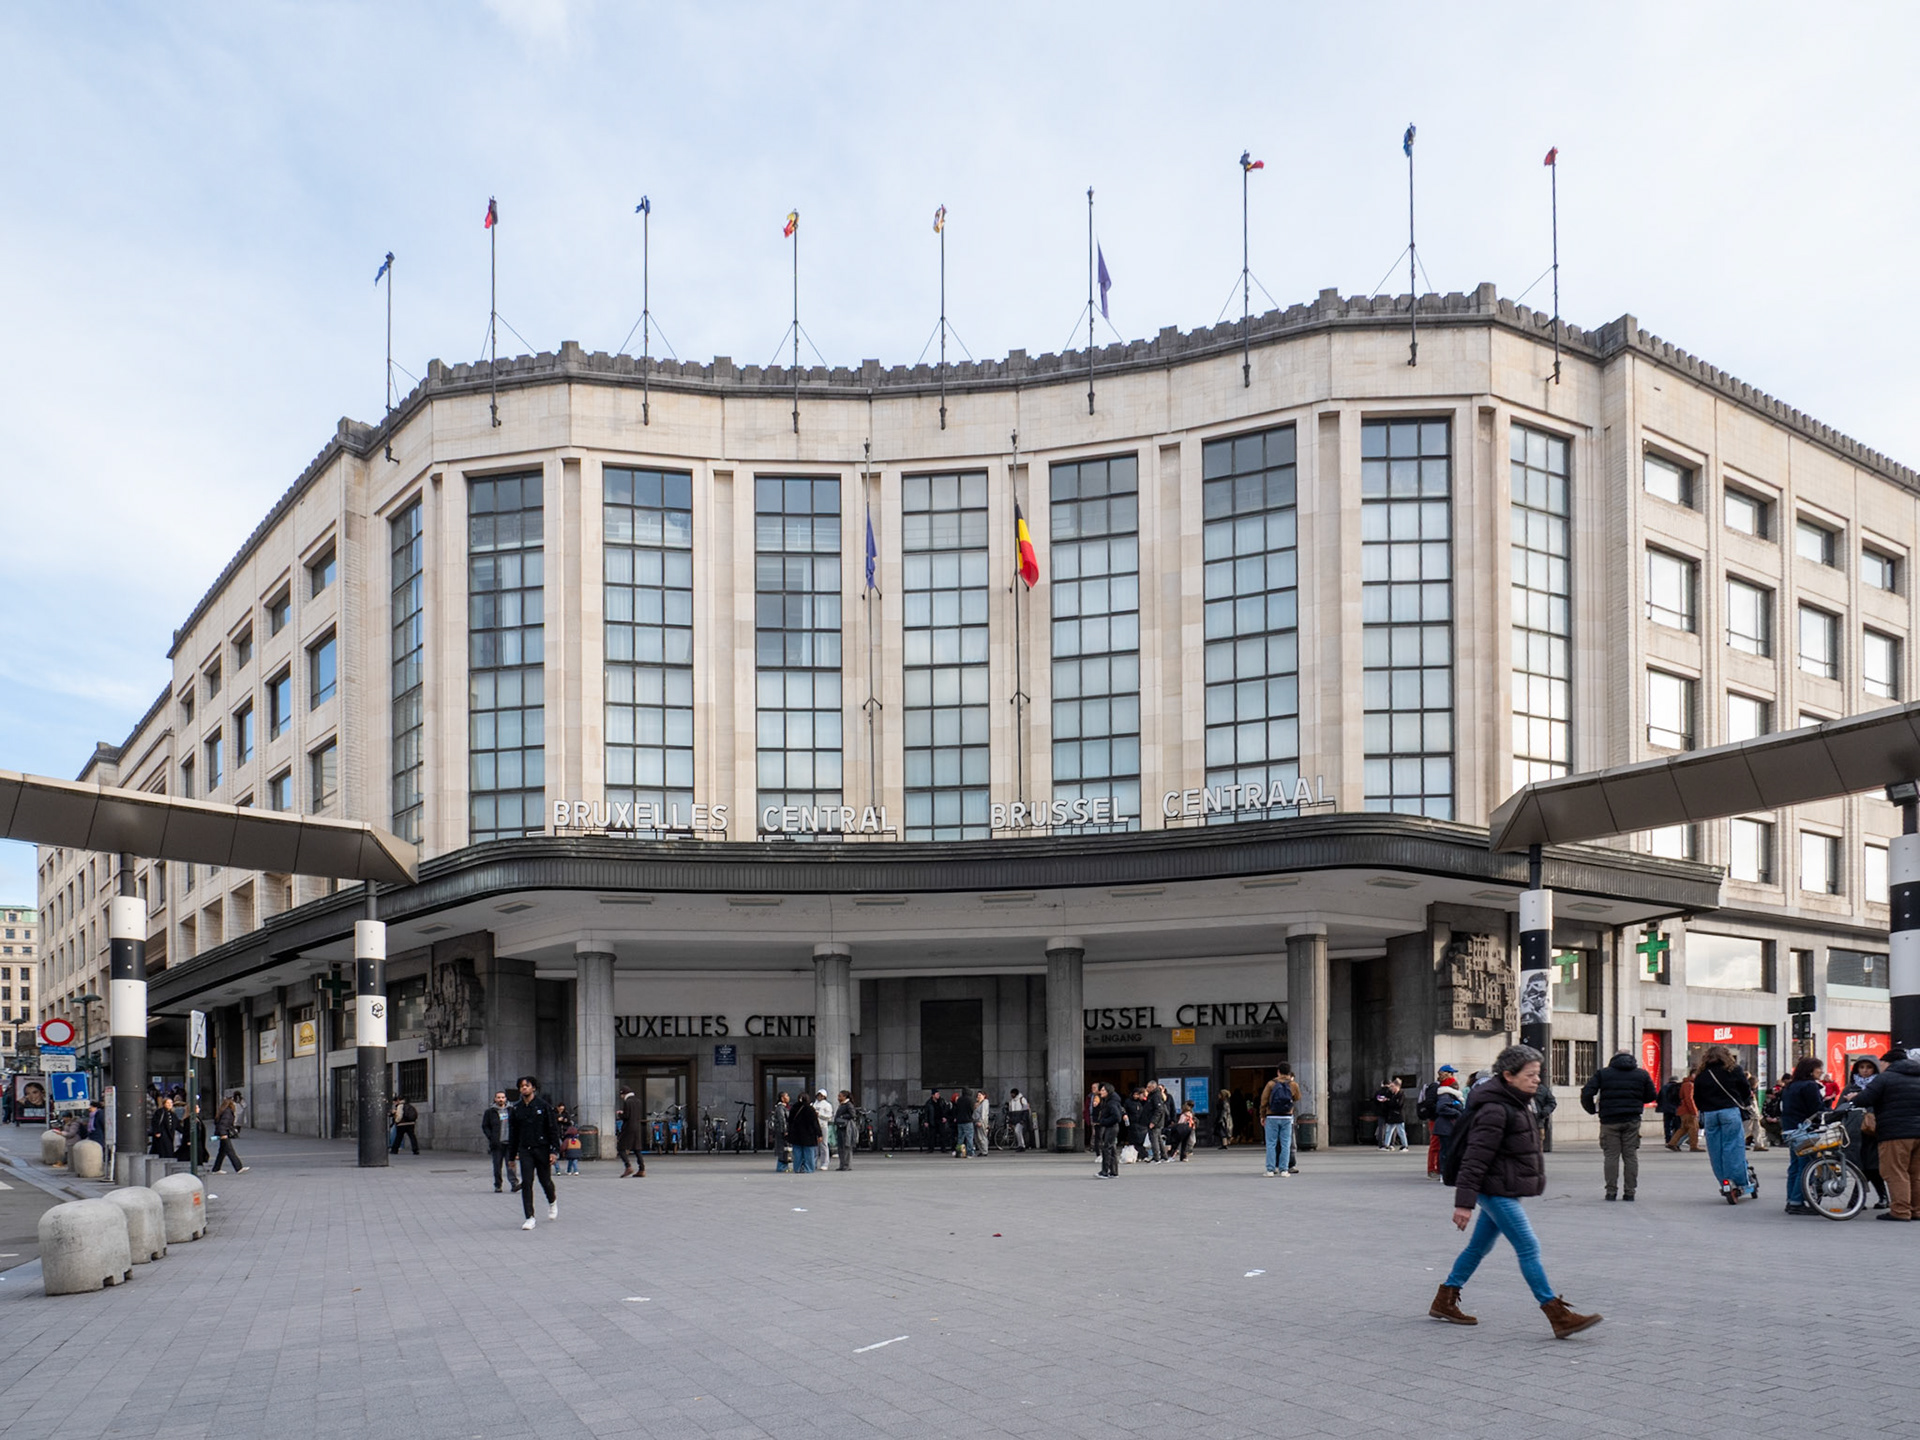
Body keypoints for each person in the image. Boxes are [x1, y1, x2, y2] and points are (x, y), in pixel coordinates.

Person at [1429, 1044, 1601, 1339]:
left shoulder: (1516, 1101)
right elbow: (1475, 1157)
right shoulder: (1496, 1108)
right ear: (1508, 1075)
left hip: (1503, 1187)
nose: (1537, 1080)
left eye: (1538, 1074)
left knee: (1478, 1248)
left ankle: (1445, 1299)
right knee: (1528, 1247)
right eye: (1530, 1074)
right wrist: (1464, 1204)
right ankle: (1558, 1315)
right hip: (1495, 1191)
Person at [1851, 1047, 1920, 1221]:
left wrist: (1852, 1098)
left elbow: (1864, 1099)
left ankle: (1900, 1211)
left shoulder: (1885, 1078)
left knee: (1895, 1171)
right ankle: (1917, 1210)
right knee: (1916, 1174)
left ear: (1887, 1062)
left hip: (1895, 1133)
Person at [1579, 1051, 1658, 1201]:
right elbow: (1651, 1095)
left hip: (1609, 1120)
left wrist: (1592, 1110)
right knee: (1630, 1156)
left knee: (1611, 1156)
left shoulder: (1603, 1073)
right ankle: (1630, 1192)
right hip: (1632, 1120)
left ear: (1613, 1059)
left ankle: (1611, 1191)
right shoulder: (1641, 1074)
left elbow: (1587, 1092)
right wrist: (1637, 1100)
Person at [1693, 1047, 1755, 1203]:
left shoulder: (1702, 1074)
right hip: (1729, 1111)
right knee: (1733, 1146)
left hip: (1710, 1114)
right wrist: (1744, 1102)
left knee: (1716, 1150)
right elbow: (1745, 1090)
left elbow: (1697, 1097)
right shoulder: (1733, 1070)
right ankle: (1739, 1180)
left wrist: (1705, 1109)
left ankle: (1724, 1181)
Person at [507, 1075, 560, 1230]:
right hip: (525, 1150)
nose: (524, 1088)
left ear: (533, 1088)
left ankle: (552, 1201)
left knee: (545, 1181)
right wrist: (511, 1157)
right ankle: (529, 1217)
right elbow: (513, 1134)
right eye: (521, 1086)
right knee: (527, 1182)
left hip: (542, 1148)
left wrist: (554, 1151)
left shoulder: (543, 1106)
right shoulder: (517, 1109)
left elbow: (552, 1130)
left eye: (527, 1086)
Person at [1836, 1058, 1889, 1210]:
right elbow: (1840, 1108)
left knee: (1869, 1167)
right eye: (1861, 1067)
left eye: (1869, 1067)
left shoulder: (1879, 1087)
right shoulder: (1850, 1088)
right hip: (1853, 1133)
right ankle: (1881, 1198)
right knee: (1864, 1166)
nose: (1865, 1070)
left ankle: (1856, 1200)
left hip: (1872, 1132)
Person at [1776, 1057, 1827, 1216]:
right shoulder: (1810, 1086)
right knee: (1806, 1167)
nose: (1821, 1071)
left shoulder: (1790, 1087)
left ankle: (1791, 1200)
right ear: (1811, 1070)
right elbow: (1816, 1109)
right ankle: (1797, 1202)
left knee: (1795, 1166)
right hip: (1804, 1130)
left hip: (1790, 1130)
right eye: (1819, 1068)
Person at [1258, 1065, 1298, 1176]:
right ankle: (1284, 1170)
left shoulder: (1271, 1084)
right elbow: (1298, 1097)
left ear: (1278, 1072)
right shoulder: (1293, 1085)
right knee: (1286, 1144)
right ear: (1289, 1072)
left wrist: (1262, 1115)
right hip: (1287, 1117)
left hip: (1272, 1116)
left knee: (1271, 1143)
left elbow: (1263, 1101)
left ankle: (1270, 1169)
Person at [1419, 1065, 1459, 1175]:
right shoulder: (1435, 1086)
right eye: (1451, 1073)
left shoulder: (1443, 1086)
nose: (1453, 1076)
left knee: (1440, 1145)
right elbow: (1429, 1103)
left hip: (1439, 1118)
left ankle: (1438, 1168)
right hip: (1436, 1119)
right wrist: (1440, 1111)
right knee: (1435, 1145)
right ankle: (1432, 1169)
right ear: (1445, 1074)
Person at [1429, 1073, 1465, 1182]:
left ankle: (1446, 1172)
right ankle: (1444, 1173)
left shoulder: (1451, 1096)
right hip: (1445, 1127)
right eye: (1455, 1084)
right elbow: (1441, 1108)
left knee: (1447, 1151)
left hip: (1448, 1127)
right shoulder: (1446, 1096)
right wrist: (1457, 1113)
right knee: (1446, 1151)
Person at [483, 1089, 516, 1191]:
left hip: (509, 1143)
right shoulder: (490, 1112)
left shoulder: (511, 1110)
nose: (501, 1099)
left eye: (502, 1097)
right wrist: (491, 1137)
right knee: (497, 1166)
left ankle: (514, 1184)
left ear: (505, 1099)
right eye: (498, 1097)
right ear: (495, 1099)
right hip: (497, 1144)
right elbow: (485, 1126)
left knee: (511, 1164)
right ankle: (498, 1185)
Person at [210, 1094, 249, 1173]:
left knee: (222, 1152)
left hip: (222, 1133)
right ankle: (238, 1168)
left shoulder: (222, 1110)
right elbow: (223, 1124)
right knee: (230, 1151)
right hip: (224, 1134)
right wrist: (223, 1134)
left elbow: (218, 1122)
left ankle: (216, 1169)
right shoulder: (228, 1112)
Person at [1092, 1083, 1123, 1179]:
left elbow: (1117, 1117)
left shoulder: (1111, 1103)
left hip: (1111, 1127)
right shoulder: (1110, 1101)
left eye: (1103, 1090)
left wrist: (1103, 1121)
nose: (1101, 1092)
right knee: (1112, 1149)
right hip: (1112, 1126)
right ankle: (1113, 1171)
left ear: (1108, 1091)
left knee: (1106, 1148)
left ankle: (1105, 1171)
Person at [1667, 1071, 1703, 1152]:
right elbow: (1689, 1099)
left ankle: (1672, 1143)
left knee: (1684, 1128)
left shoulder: (1686, 1083)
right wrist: (1694, 1111)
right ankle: (1694, 1146)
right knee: (1694, 1127)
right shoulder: (1689, 1084)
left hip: (1683, 1109)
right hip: (1687, 1110)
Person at [787, 1091, 822, 1173]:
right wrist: (819, 1134)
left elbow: (790, 1121)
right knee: (809, 1153)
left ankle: (797, 1168)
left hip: (796, 1134)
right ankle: (808, 1168)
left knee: (797, 1153)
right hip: (808, 1134)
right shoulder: (810, 1109)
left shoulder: (794, 1108)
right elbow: (814, 1123)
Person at [616, 1086, 646, 1178]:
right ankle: (642, 1169)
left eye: (621, 1095)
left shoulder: (627, 1101)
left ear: (624, 1094)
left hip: (628, 1127)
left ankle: (628, 1166)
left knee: (620, 1147)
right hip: (637, 1126)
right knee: (637, 1149)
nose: (621, 1097)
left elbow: (626, 1116)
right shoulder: (638, 1101)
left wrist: (620, 1114)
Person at [1374, 1077, 1408, 1151]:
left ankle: (1405, 1145)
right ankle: (1387, 1144)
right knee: (1389, 1130)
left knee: (1401, 1131)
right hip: (1392, 1115)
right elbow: (1388, 1102)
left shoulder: (1401, 1094)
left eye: (1392, 1086)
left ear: (1397, 1086)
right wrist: (1389, 1101)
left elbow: (1399, 1104)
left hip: (1399, 1115)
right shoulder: (1391, 1094)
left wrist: (1389, 1101)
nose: (1391, 1088)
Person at [1655, 1073, 1682, 1146]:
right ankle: (1675, 1140)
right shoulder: (1678, 1087)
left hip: (1666, 1109)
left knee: (1667, 1124)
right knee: (1677, 1124)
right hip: (1676, 1108)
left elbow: (1658, 1098)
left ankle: (1667, 1139)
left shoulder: (1664, 1087)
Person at [555, 1103, 580, 1175]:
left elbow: (569, 1121)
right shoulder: (553, 1113)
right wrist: (557, 1119)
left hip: (564, 1132)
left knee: (569, 1152)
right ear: (557, 1107)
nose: (561, 1110)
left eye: (563, 1109)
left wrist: (565, 1120)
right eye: (560, 1109)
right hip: (557, 1133)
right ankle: (566, 1169)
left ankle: (565, 1169)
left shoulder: (566, 1113)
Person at [834, 1090, 856, 1171]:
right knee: (841, 1147)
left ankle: (847, 1165)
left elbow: (853, 1114)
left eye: (840, 1096)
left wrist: (842, 1117)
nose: (838, 1098)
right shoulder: (842, 1105)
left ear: (845, 1097)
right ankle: (842, 1164)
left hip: (846, 1128)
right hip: (840, 1127)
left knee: (846, 1146)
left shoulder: (848, 1104)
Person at [770, 1090, 791, 1171]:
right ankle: (781, 1167)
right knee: (782, 1149)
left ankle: (784, 1165)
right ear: (782, 1098)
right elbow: (782, 1120)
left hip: (782, 1131)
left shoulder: (784, 1107)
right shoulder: (780, 1108)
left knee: (785, 1149)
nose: (788, 1097)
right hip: (781, 1132)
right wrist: (785, 1130)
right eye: (786, 1096)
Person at [813, 1090, 834, 1171]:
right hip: (815, 1126)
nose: (819, 1096)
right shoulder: (814, 1103)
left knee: (823, 1145)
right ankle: (814, 1162)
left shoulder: (827, 1105)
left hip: (823, 1126)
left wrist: (820, 1115)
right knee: (815, 1145)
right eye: (818, 1095)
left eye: (821, 1095)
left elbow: (829, 1117)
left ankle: (825, 1163)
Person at [954, 1088, 977, 1159]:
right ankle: (970, 1152)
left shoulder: (959, 1100)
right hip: (968, 1121)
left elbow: (956, 1109)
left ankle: (958, 1152)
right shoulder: (970, 1100)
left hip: (960, 1121)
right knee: (969, 1137)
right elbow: (972, 1109)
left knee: (960, 1138)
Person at [971, 1092, 989, 1157]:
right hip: (975, 1121)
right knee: (977, 1137)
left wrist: (981, 1122)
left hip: (980, 1121)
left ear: (984, 1096)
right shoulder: (978, 1103)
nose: (978, 1096)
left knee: (982, 1136)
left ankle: (985, 1151)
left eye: (980, 1095)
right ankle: (982, 1150)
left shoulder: (985, 1103)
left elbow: (983, 1113)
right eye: (978, 1095)